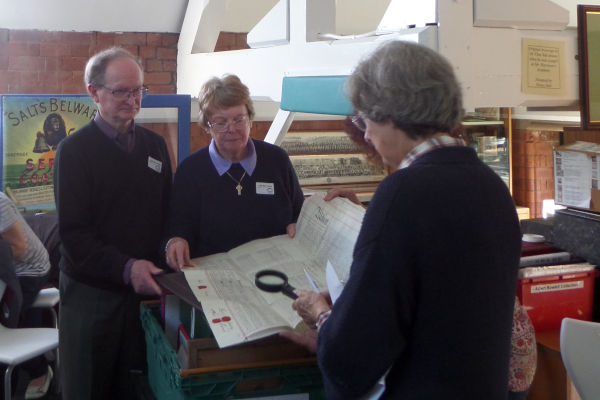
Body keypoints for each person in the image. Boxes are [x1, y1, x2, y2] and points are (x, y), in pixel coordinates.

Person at [281, 40, 522, 399]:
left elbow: (351, 356)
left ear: (389, 112)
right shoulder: (492, 187)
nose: (365, 134)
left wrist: (322, 316)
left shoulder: (402, 193)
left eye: (364, 119)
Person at [54, 47, 173, 399]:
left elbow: (167, 212)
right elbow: (74, 236)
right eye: (122, 91)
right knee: (89, 386)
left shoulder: (155, 145)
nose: (133, 100)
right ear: (94, 92)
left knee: (140, 387)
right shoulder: (74, 152)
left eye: (138, 90)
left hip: (145, 293)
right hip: (93, 298)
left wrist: (171, 245)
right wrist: (127, 267)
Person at [164, 74, 303, 268]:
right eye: (221, 122)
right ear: (207, 127)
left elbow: (299, 213)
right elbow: (178, 227)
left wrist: (297, 226)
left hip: (276, 272)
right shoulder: (190, 171)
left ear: (250, 120)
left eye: (239, 120)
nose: (232, 129)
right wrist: (176, 241)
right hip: (217, 277)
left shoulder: (277, 160)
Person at [0, 191, 53, 398]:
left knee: (10, 323)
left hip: (31, 270)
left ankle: (39, 369)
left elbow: (20, 249)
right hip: (11, 268)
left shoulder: (0, 205)